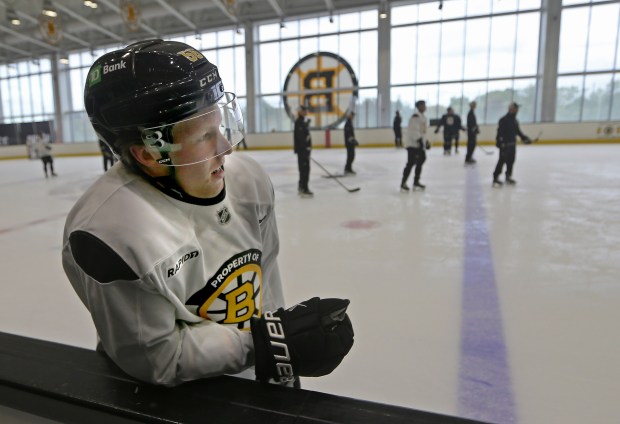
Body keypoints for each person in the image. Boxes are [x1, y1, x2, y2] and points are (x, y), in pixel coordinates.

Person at [62, 39, 353, 387]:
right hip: (184, 401)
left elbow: (266, 277)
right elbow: (157, 358)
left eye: (220, 127)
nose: (227, 148)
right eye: (204, 136)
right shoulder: (110, 235)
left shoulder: (248, 181)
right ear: (149, 154)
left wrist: (276, 339)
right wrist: (266, 345)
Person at [493, 102, 532, 186]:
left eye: (517, 108)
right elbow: (499, 132)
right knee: (501, 161)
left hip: (512, 145)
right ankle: (495, 178)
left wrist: (524, 138)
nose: (517, 110)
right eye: (516, 108)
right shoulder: (503, 120)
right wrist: (499, 142)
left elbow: (518, 131)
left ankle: (508, 177)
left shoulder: (515, 121)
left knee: (511, 161)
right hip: (505, 145)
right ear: (511, 109)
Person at [400, 100, 430, 191]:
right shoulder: (415, 117)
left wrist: (426, 142)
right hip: (413, 144)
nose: (425, 107)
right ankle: (403, 182)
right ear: (419, 106)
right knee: (411, 163)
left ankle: (416, 181)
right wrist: (419, 141)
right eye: (423, 105)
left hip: (419, 144)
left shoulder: (423, 117)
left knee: (421, 160)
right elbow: (413, 131)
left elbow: (422, 132)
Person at [294, 105, 313, 197]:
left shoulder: (302, 122)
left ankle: (304, 187)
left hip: (305, 151)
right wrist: (305, 150)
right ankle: (303, 188)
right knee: (304, 170)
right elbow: (301, 139)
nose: (306, 112)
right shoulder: (299, 122)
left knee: (306, 169)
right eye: (304, 110)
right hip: (302, 152)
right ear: (300, 112)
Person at [343, 110, 358, 175]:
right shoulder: (347, 124)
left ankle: (348, 168)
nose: (353, 116)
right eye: (352, 115)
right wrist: (353, 140)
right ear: (349, 115)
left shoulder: (350, 122)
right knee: (350, 156)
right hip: (349, 144)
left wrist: (354, 140)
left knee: (351, 156)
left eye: (353, 115)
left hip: (351, 143)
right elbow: (348, 135)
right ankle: (347, 168)